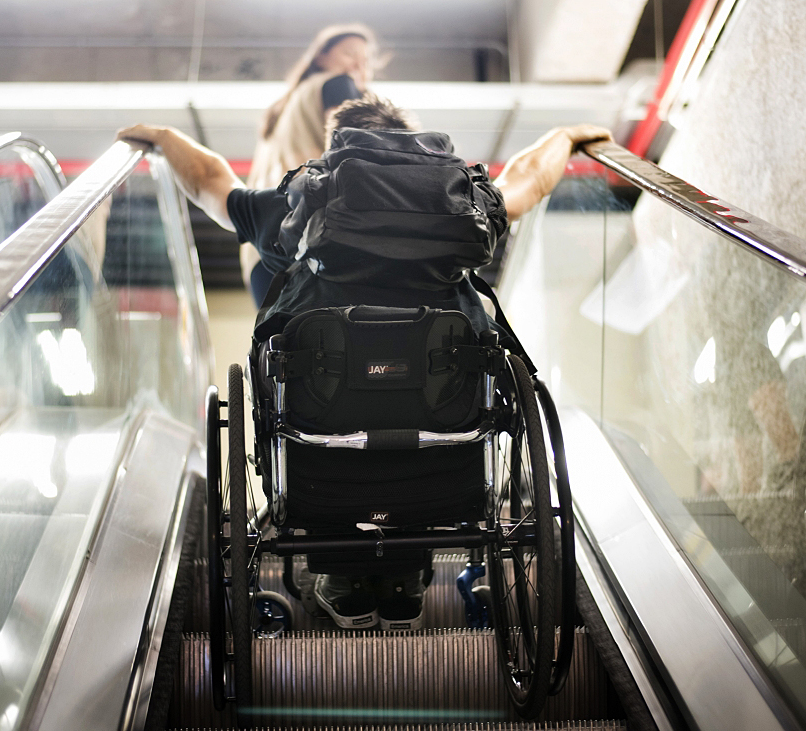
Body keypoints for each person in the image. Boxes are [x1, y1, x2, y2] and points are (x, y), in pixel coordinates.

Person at [118, 97, 611, 630]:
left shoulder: (305, 199)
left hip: (322, 435)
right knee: (435, 392)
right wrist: (563, 135)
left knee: (325, 401)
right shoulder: (463, 202)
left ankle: (343, 575)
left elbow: (213, 184)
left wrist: (166, 138)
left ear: (338, 144)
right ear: (416, 146)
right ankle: (405, 580)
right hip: (448, 433)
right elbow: (529, 181)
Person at [243, 23, 381, 306]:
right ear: (321, 57)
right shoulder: (337, 83)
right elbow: (351, 150)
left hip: (260, 251)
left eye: (366, 60)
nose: (358, 64)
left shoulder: (282, 111)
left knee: (279, 344)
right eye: (350, 53)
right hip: (308, 238)